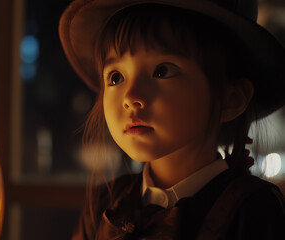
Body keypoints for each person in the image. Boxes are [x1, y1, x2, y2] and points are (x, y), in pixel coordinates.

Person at [59, 0, 285, 239]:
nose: (130, 97)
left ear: (231, 99)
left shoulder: (253, 210)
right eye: (115, 77)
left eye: (162, 71)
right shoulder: (105, 202)